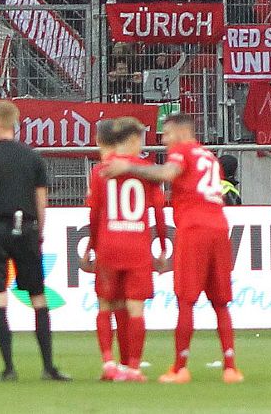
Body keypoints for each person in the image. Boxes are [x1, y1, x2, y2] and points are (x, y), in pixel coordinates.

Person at [103, 112, 243, 383]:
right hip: (219, 227)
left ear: (180, 132)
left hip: (194, 229)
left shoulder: (181, 151)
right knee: (221, 302)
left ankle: (180, 367)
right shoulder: (208, 156)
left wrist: (129, 168)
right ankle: (230, 366)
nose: (164, 140)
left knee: (186, 301)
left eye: (166, 134)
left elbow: (168, 173)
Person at [0, 99, 67, 381]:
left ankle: (9, 368)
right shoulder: (32, 157)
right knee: (37, 294)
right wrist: (40, 233)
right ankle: (48, 367)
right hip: (27, 229)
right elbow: (41, 200)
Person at [84, 117, 168, 382]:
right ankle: (133, 367)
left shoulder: (100, 171)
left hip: (109, 245)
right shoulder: (148, 171)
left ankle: (109, 363)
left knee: (105, 306)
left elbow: (95, 216)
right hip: (137, 246)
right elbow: (159, 213)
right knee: (135, 308)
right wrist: (163, 246)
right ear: (132, 140)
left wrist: (91, 248)